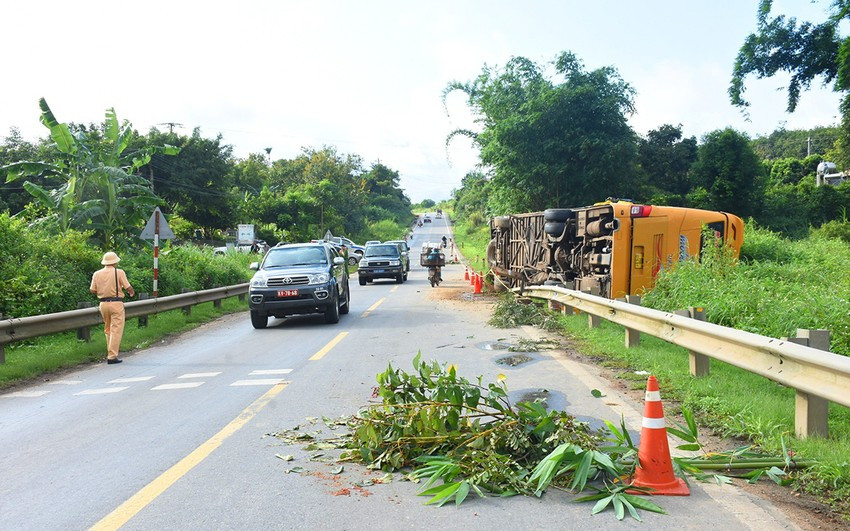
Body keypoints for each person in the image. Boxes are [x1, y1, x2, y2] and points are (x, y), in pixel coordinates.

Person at [89, 251, 135, 365]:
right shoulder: (119, 272)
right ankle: (112, 356)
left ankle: (110, 352)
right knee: (116, 329)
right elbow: (128, 286)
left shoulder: (96, 274)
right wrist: (131, 292)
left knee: (108, 329)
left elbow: (92, 290)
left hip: (103, 304)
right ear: (115, 262)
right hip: (116, 303)